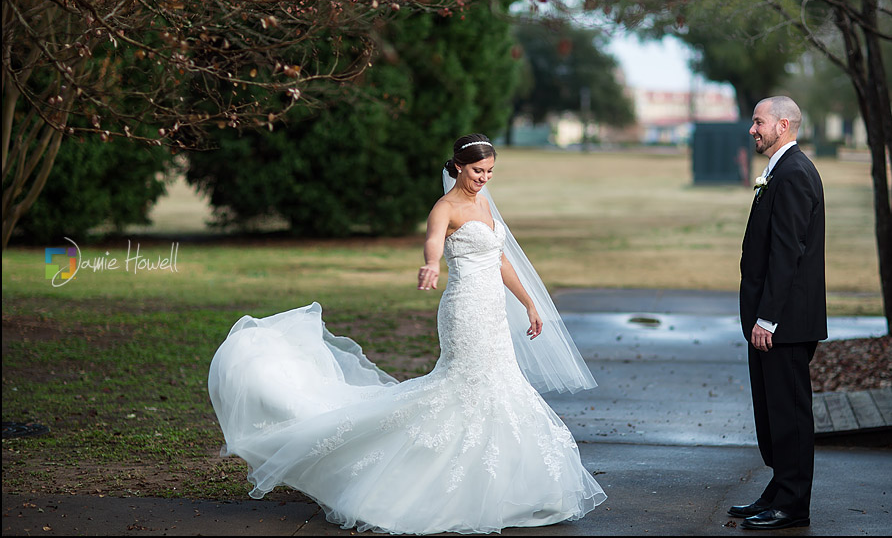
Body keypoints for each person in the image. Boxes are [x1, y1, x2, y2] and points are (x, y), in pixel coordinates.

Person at [208, 134, 605, 534]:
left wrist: (529, 303)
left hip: (494, 314)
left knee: (500, 385)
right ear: (458, 167)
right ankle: (427, 488)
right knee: (466, 387)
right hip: (465, 312)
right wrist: (432, 265)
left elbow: (499, 258)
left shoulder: (483, 203)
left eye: (489, 172)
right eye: (477, 171)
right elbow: (433, 242)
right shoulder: (445, 208)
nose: (483, 178)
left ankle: (504, 489)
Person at [728, 96, 827, 530]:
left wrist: (768, 317)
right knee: (772, 415)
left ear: (783, 124)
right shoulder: (781, 170)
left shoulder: (794, 174)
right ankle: (779, 488)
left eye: (759, 122)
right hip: (769, 321)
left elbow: (789, 252)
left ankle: (793, 504)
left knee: (789, 414)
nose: (753, 129)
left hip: (783, 323)